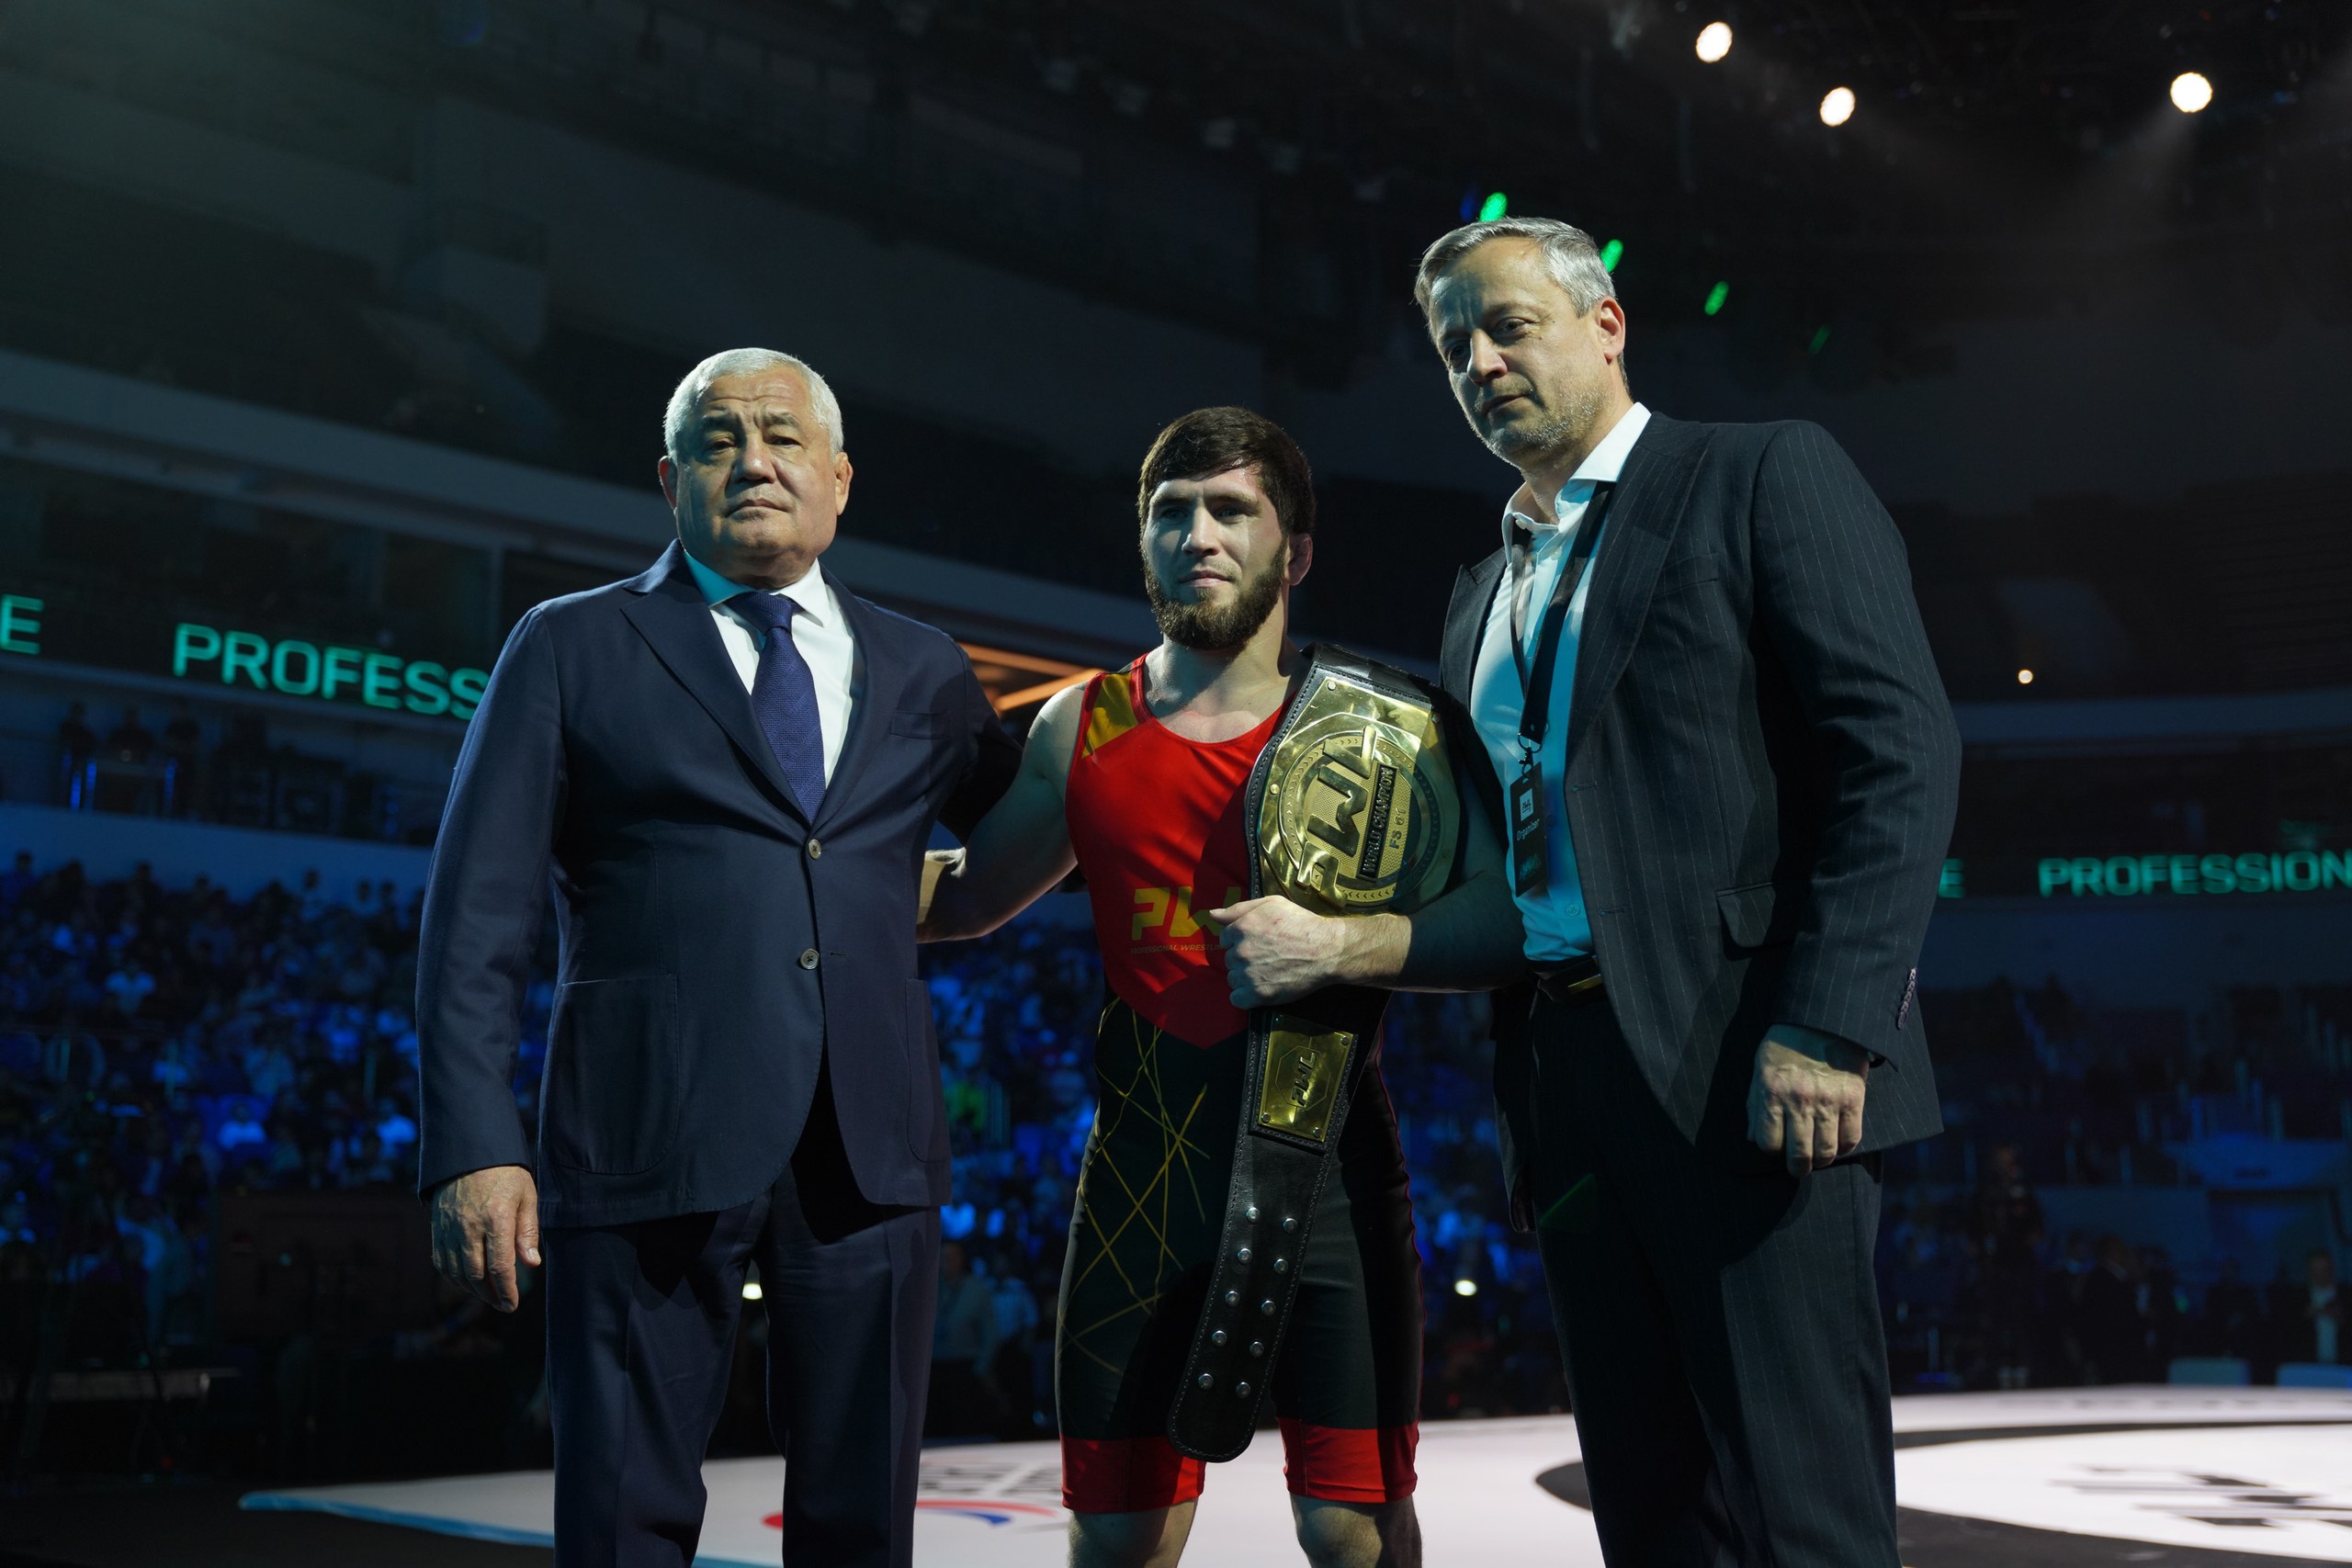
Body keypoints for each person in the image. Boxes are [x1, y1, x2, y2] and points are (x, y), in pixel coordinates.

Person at [1235, 218, 1959, 1564]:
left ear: (1606, 323)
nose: (1480, 363)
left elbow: (1899, 749)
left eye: (1508, 326)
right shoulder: (1481, 590)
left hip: (1753, 1060)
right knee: (1650, 1512)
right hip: (1564, 1081)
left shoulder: (1757, 472)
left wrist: (1828, 1023)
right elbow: (1508, 867)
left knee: (1804, 1514)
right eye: (1454, 346)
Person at [417, 346, 1019, 1568]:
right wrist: (476, 1141)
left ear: (838, 478)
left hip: (868, 1153)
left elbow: (1033, 826)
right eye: (717, 439)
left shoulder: (925, 668)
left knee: (862, 1524)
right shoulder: (570, 643)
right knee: (622, 1513)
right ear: (669, 480)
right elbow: (477, 912)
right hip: (644, 1137)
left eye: (783, 436)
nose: (753, 461)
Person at [923, 406, 1521, 1568]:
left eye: (1231, 510)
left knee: (1351, 1532)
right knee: (1117, 1542)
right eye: (1171, 512)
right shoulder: (1079, 724)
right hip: (1137, 1189)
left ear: (1294, 553)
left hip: (1330, 1179)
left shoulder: (1393, 729)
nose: (1197, 535)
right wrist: (787, 873)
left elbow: (1507, 920)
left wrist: (1345, 947)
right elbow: (965, 895)